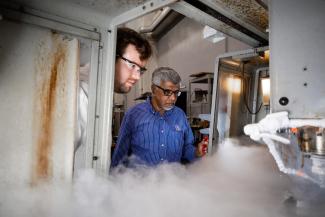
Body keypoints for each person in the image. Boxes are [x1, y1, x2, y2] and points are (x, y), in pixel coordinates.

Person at [75, 27, 152, 163]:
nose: (137, 76)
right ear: (110, 56)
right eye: (132, 65)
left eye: (141, 70)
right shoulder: (78, 94)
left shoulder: (100, 94)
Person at [111, 67, 207, 168]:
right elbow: (120, 156)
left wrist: (196, 152)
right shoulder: (133, 115)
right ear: (153, 89)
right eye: (167, 92)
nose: (173, 98)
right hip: (140, 182)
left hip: (171, 181)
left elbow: (186, 147)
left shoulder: (180, 116)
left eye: (176, 92)